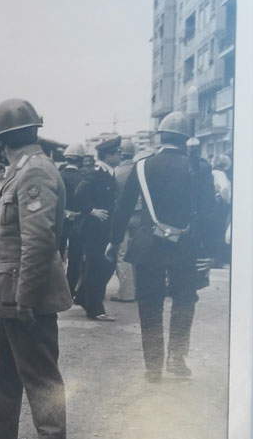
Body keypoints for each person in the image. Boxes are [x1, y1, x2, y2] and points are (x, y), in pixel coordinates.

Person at [0, 99, 72, 439]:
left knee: (40, 372)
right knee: (2, 367)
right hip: (6, 289)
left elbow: (39, 242)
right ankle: (1, 438)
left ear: (1, 140)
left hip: (24, 292)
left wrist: (25, 298)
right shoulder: (20, 170)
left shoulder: (35, 173)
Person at [106, 112, 216, 382]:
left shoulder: (142, 167)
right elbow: (209, 213)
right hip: (187, 246)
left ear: (161, 136)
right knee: (184, 300)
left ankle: (153, 366)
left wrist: (114, 240)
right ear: (186, 139)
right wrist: (210, 252)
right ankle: (177, 360)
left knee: (149, 303)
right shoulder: (199, 168)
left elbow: (122, 208)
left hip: (148, 245)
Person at [70, 136, 119, 320]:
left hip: (102, 227)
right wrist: (90, 210)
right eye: (117, 153)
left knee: (102, 265)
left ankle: (84, 297)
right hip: (94, 228)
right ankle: (95, 309)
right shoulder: (97, 172)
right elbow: (79, 193)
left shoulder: (107, 172)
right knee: (97, 266)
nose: (120, 155)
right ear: (108, 155)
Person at [110, 139, 140, 302]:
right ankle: (139, 289)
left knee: (122, 254)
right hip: (140, 215)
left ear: (121, 154)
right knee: (139, 252)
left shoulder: (116, 171)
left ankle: (127, 292)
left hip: (122, 216)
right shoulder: (140, 169)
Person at [58, 144, 85, 264]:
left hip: (61, 219)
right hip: (79, 220)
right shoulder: (84, 177)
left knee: (58, 253)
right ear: (80, 160)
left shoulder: (58, 175)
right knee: (75, 258)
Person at [210, 154, 233, 267]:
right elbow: (224, 189)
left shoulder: (211, 172)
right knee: (221, 231)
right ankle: (219, 259)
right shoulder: (221, 174)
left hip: (212, 205)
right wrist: (228, 201)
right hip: (221, 206)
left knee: (214, 231)